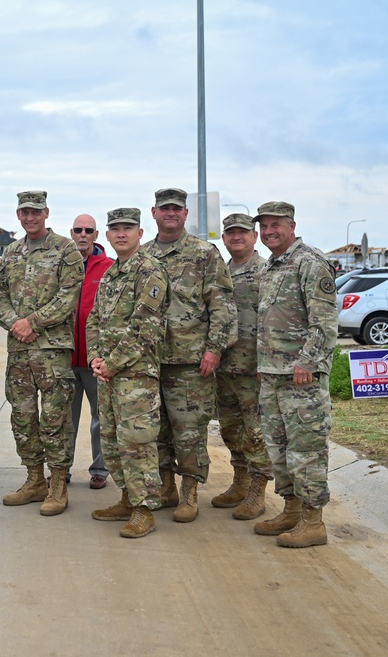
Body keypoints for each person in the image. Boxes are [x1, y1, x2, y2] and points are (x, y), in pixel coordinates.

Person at [141, 187, 236, 523]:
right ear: (154, 212)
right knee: (158, 431)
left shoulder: (204, 253)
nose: (171, 213)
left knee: (189, 432)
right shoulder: (143, 255)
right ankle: (165, 488)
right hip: (149, 362)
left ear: (185, 214)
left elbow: (222, 304)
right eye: (164, 208)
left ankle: (190, 493)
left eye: (177, 209)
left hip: (190, 362)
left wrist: (214, 349)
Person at [0, 190, 84, 517]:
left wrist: (33, 322)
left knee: (55, 417)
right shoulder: (12, 251)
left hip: (52, 349)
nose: (30, 217)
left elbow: (69, 294)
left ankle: (58, 483)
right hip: (19, 350)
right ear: (18, 215)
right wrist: (15, 324)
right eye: (24, 212)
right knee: (23, 415)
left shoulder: (65, 250)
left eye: (36, 211)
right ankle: (34, 479)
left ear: (46, 212)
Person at [252, 201, 337, 548]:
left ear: (292, 225)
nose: (269, 232)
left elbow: (325, 323)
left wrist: (307, 362)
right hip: (273, 375)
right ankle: (292, 510)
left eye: (276, 225)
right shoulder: (272, 266)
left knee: (306, 450)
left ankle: (314, 521)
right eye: (265, 227)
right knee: (279, 448)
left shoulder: (309, 262)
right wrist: (264, 366)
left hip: (302, 378)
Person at [88, 208, 170, 538]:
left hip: (136, 376)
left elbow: (146, 328)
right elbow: (94, 319)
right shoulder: (112, 273)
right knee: (113, 441)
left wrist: (112, 362)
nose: (121, 234)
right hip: (108, 375)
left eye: (128, 228)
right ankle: (127, 497)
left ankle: (144, 509)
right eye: (115, 229)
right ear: (107, 235)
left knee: (138, 442)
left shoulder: (149, 270)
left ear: (140, 232)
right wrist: (96, 357)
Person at [214, 213, 273, 520]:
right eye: (230, 232)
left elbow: (271, 320)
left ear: (253, 236)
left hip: (253, 366)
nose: (236, 236)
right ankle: (240, 481)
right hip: (224, 366)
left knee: (255, 430)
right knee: (231, 427)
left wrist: (267, 360)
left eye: (242, 232)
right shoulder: (221, 271)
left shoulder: (264, 271)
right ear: (223, 238)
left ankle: (257, 491)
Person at [67, 214, 114, 490]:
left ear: (96, 235)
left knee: (101, 417)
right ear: (71, 233)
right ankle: (63, 469)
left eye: (88, 230)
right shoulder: (64, 266)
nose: (82, 234)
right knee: (65, 419)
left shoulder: (108, 268)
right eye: (78, 230)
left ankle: (100, 469)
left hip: (96, 361)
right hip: (66, 358)